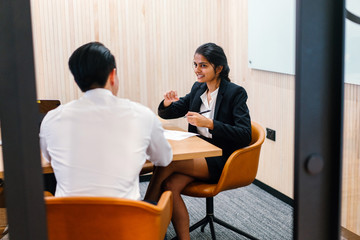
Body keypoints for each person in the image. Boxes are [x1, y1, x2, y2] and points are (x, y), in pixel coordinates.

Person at [144, 42, 252, 239]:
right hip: (197, 155)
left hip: (222, 159)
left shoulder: (235, 93)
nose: (197, 70)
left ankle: (144, 221)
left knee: (166, 162)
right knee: (170, 186)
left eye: (203, 65)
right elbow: (170, 112)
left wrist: (211, 124)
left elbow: (245, 134)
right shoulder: (198, 88)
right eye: (195, 64)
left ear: (218, 68)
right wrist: (168, 103)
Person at [39, 42, 172, 199]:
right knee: (165, 200)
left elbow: (49, 158)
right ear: (112, 75)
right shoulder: (142, 115)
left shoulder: (52, 118)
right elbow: (164, 159)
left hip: (69, 220)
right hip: (127, 220)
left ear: (76, 80)